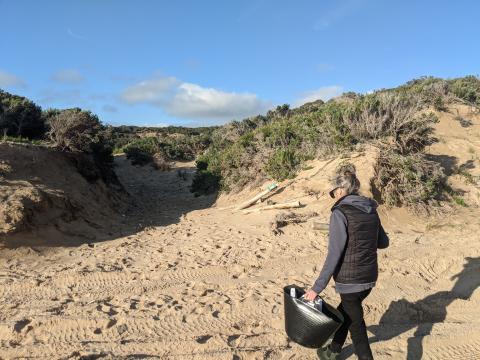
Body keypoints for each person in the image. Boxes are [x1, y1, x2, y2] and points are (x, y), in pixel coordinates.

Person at [303, 167, 389, 360]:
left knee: (357, 327)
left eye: (333, 192)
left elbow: (334, 254)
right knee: (346, 312)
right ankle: (333, 351)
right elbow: (384, 243)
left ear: (341, 190)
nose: (334, 196)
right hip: (369, 277)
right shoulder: (370, 209)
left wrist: (317, 288)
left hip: (350, 281)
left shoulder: (339, 213)